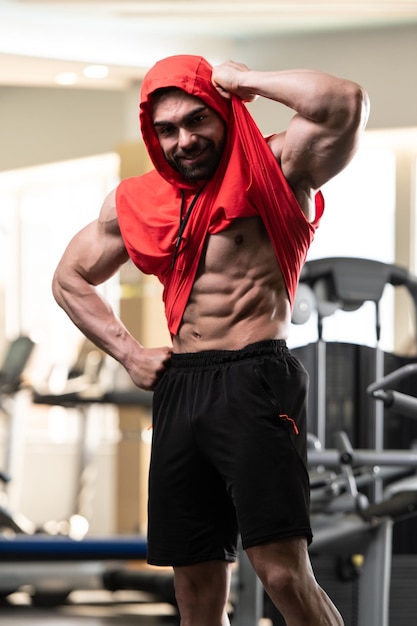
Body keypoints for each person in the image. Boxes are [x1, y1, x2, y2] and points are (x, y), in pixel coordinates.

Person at [52, 55, 369, 626]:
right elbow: (69, 278)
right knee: (195, 588)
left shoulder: (278, 167)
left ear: (226, 112)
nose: (184, 140)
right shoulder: (137, 201)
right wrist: (128, 352)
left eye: (198, 120)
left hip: (255, 376)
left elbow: (343, 103)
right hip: (182, 384)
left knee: (281, 573)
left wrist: (245, 81)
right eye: (167, 129)